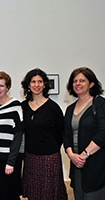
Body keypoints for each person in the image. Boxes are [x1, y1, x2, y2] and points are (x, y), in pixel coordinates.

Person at [21, 68, 67, 200]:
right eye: (33, 81)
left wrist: (50, 149)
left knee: (49, 193)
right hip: (30, 156)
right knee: (34, 193)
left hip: (49, 158)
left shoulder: (53, 107)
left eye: (40, 81)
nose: (36, 85)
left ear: (45, 84)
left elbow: (60, 132)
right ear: (28, 85)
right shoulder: (23, 106)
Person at [63, 67, 105, 200]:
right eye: (75, 81)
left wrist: (84, 155)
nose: (77, 84)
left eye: (82, 80)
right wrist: (71, 155)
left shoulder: (99, 104)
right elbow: (66, 135)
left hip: (95, 165)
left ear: (91, 84)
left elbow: (103, 133)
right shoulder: (70, 109)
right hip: (76, 165)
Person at [0, 72, 24, 200]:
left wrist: (11, 162)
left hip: (8, 159)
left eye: (1, 86)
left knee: (10, 194)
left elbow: (18, 137)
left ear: (7, 88)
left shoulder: (15, 107)